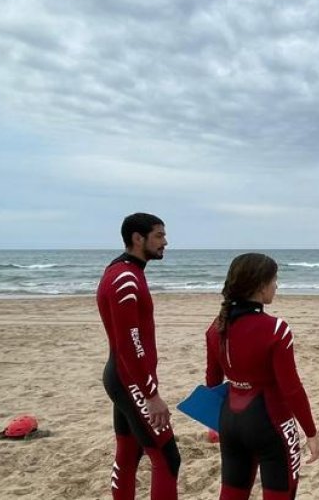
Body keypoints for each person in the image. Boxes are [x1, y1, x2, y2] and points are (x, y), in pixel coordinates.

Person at [206, 253, 319, 499]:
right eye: (274, 279)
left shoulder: (217, 327)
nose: (276, 285)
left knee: (232, 492)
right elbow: (291, 389)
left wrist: (212, 424)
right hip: (270, 422)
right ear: (260, 285)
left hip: (229, 420)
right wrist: (311, 433)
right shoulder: (276, 329)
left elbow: (213, 380)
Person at [96, 213, 181, 500]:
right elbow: (129, 345)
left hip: (122, 376)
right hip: (129, 379)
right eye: (159, 236)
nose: (165, 242)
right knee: (167, 458)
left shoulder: (121, 271)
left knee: (129, 454)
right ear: (137, 238)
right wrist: (150, 394)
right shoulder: (125, 280)